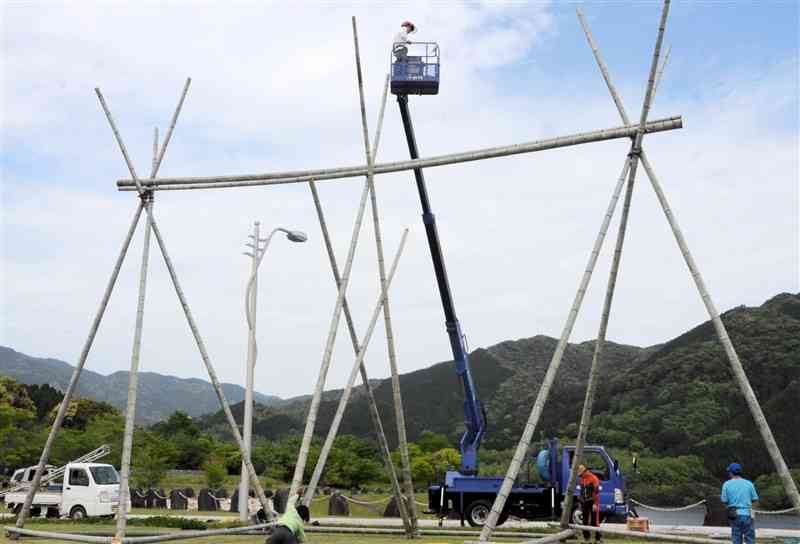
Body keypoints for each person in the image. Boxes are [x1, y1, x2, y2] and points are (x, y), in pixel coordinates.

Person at [721, 463, 759, 544]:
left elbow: (724, 501)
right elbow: (755, 500)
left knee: (736, 539)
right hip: (747, 514)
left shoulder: (726, 484)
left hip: (734, 514)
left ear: (731, 472)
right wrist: (752, 511)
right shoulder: (749, 484)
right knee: (750, 539)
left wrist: (729, 509)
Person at [577, 464, 602, 543]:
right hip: (584, 501)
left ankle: (598, 539)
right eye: (580, 475)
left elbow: (597, 492)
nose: (581, 476)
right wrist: (580, 501)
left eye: (581, 474)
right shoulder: (582, 479)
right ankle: (586, 539)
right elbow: (581, 492)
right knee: (584, 520)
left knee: (594, 521)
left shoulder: (594, 478)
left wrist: (595, 503)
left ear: (585, 472)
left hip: (593, 501)